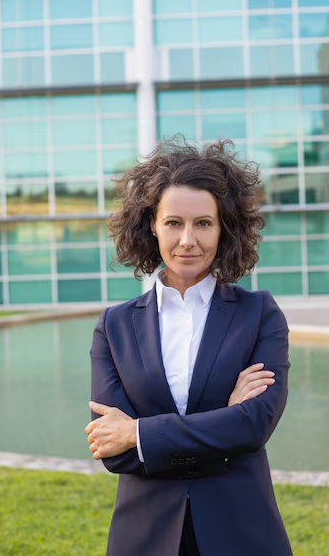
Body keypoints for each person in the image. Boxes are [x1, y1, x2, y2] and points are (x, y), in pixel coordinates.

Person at [85, 139, 292, 556]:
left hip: (241, 532)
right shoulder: (114, 326)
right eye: (174, 222)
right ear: (152, 226)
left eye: (203, 223)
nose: (187, 240)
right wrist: (223, 421)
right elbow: (111, 451)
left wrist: (139, 433)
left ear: (224, 227)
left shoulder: (259, 314)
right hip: (144, 537)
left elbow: (253, 426)